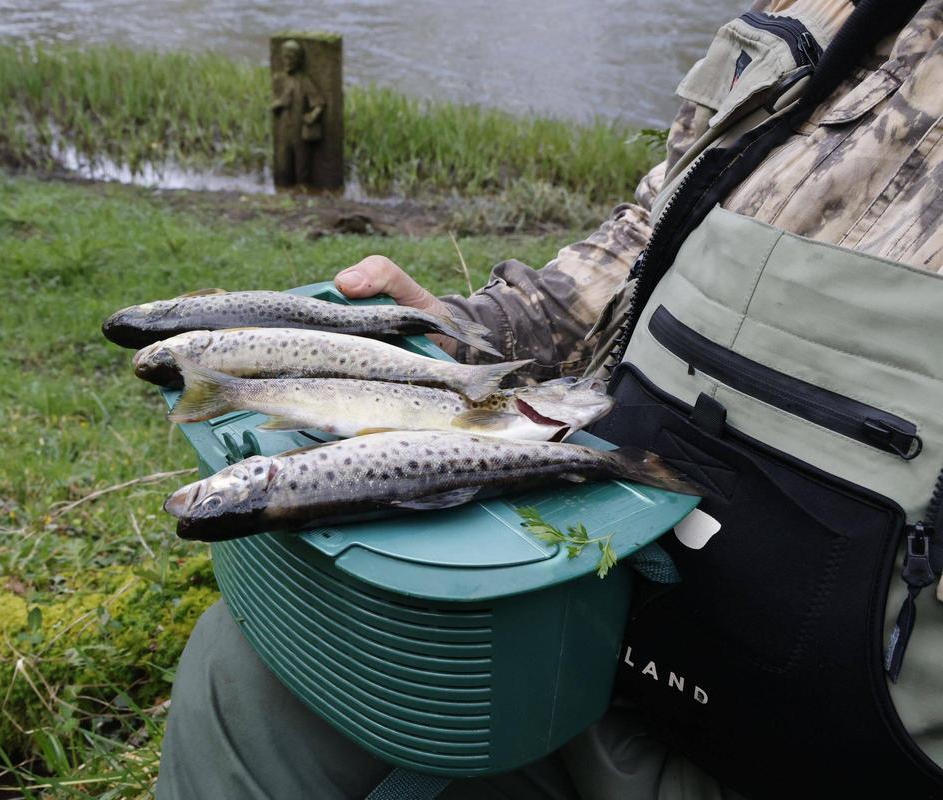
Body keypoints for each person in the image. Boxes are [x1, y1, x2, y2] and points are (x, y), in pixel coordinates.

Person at [157, 0, 943, 796]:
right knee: (243, 678)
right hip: (579, 626)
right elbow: (651, 228)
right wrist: (462, 341)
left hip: (830, 756)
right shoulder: (812, 8)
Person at [271, 39, 325, 187]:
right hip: (283, 130)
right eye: (285, 56)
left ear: (299, 60)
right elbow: (271, 105)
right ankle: (282, 190)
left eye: (292, 57)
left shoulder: (304, 81)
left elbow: (319, 103)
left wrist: (312, 116)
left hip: (299, 130)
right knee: (283, 164)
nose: (287, 60)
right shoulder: (279, 79)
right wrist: (280, 103)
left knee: (302, 165)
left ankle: (303, 191)